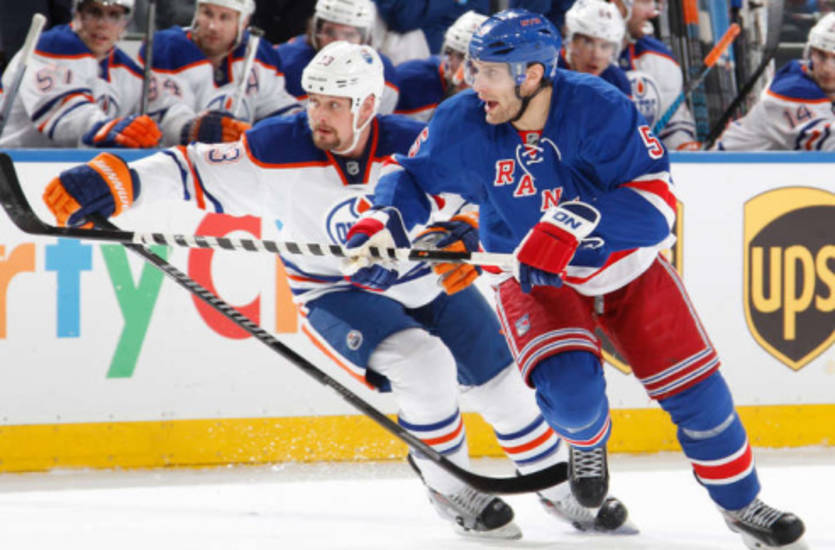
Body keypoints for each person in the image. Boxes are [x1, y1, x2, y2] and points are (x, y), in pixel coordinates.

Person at [40, 40, 630, 540]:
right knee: (423, 366)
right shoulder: (274, 148)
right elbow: (188, 169)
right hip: (335, 290)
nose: (318, 115)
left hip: (425, 281)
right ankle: (450, 486)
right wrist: (116, 180)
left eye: (335, 104)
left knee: (504, 384)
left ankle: (559, 489)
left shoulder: (418, 142)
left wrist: (465, 230)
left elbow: (487, 194)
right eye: (314, 100)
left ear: (368, 105)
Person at [341, 9, 808, 550]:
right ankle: (587, 441)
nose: (474, 83)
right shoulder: (464, 119)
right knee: (574, 398)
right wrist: (384, 220)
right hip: (534, 277)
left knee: (701, 398)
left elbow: (657, 204)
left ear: (533, 74)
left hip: (627, 269)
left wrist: (570, 223)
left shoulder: (597, 107)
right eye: (473, 68)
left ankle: (742, 504)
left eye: (489, 72)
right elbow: (411, 175)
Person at [0, 0, 161, 148]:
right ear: (78, 14)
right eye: (94, 12)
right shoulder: (49, 47)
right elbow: (65, 120)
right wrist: (108, 128)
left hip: (70, 163)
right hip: (13, 161)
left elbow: (159, 117)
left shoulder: (129, 70)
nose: (102, 24)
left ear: (125, 22)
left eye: (114, 15)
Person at [139, 0, 300, 147]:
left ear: (243, 22)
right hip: (177, 160)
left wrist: (299, 122)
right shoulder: (167, 48)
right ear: (196, 13)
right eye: (207, 14)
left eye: (225, 17)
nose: (213, 27)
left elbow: (277, 107)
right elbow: (161, 120)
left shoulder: (258, 53)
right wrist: (195, 130)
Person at [715, 12, 835, 151]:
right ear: (810, 53)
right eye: (821, 55)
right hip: (728, 163)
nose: (827, 68)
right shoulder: (792, 91)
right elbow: (829, 144)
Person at [276, 0, 400, 115]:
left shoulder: (383, 73)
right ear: (314, 31)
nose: (338, 42)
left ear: (365, 39)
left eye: (349, 35)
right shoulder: (287, 65)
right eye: (330, 32)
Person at [613, 0, 699, 150]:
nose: (652, 13)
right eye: (645, 1)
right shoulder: (571, 55)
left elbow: (673, 129)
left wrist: (685, 148)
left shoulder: (658, 57)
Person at [394, 10, 488, 122]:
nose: (466, 71)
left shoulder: (494, 97)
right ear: (448, 54)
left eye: (479, 62)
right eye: (461, 57)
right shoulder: (409, 80)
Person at [558, 0, 632, 97]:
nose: (596, 55)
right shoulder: (546, 72)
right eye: (587, 42)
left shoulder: (617, 81)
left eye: (605, 46)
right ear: (570, 40)